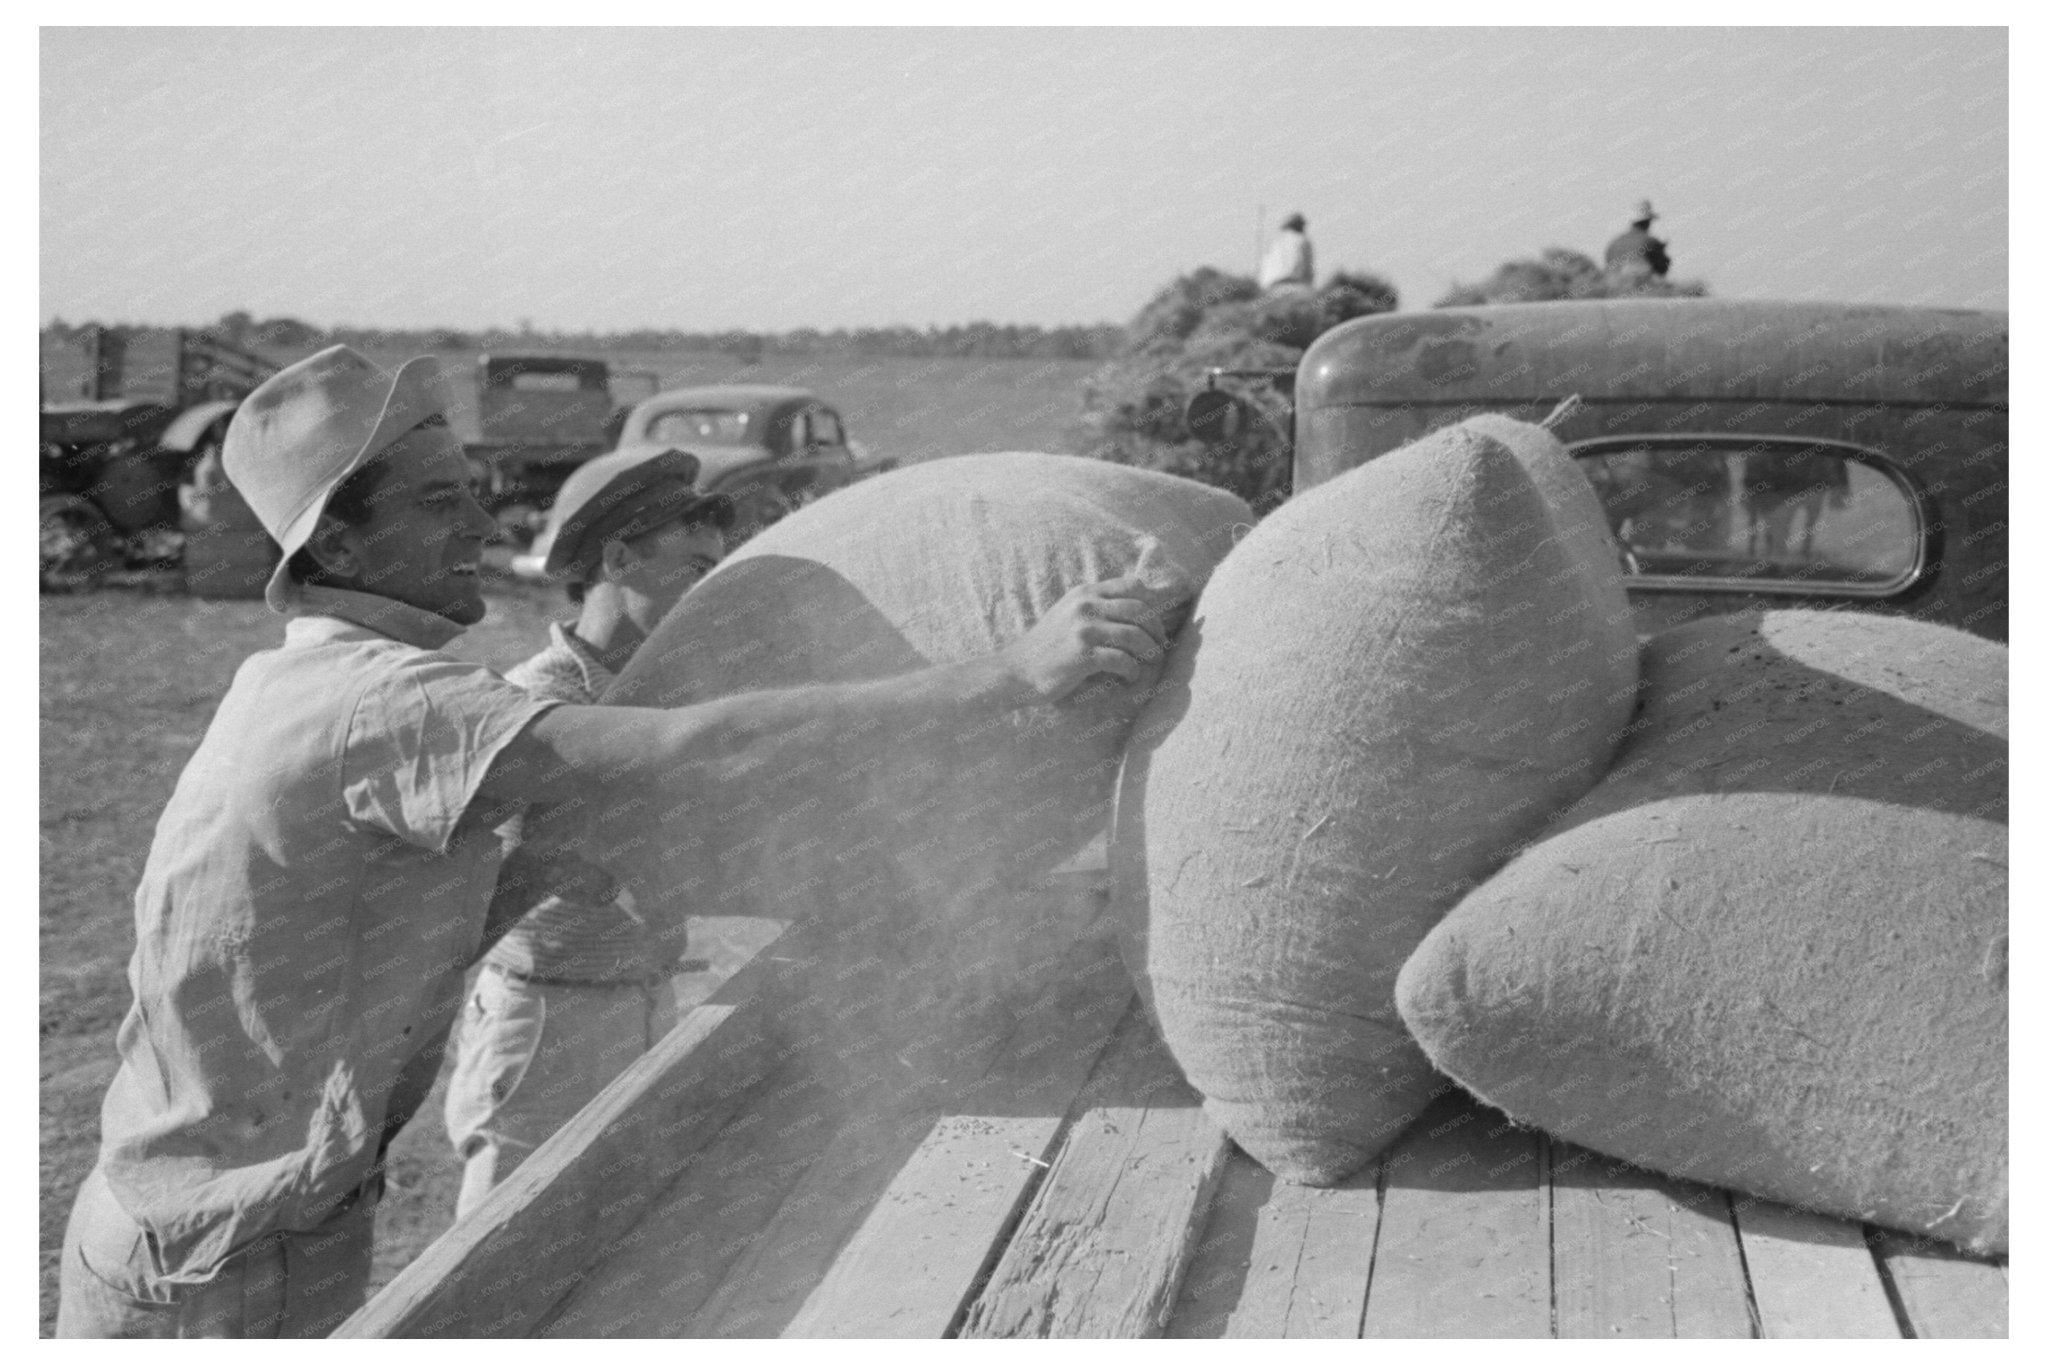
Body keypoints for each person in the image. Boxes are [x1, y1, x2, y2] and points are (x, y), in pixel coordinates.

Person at [56, 345, 1186, 1338]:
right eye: (445, 502)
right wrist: (1009, 676)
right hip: (218, 1259)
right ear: (339, 538)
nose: (487, 528)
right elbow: (699, 748)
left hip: (230, 1229)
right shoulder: (379, 704)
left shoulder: (311, 687)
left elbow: (530, 864)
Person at [442, 448, 734, 1216]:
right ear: (617, 555)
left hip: (646, 999)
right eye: (696, 569)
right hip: (549, 1017)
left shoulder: (675, 695)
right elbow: (471, 877)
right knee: (497, 1261)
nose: (711, 596)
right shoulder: (539, 697)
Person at [1603, 200, 1672, 281]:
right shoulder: (1651, 242)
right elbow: (1662, 269)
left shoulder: (1613, 243)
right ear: (1648, 222)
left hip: (1613, 288)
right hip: (1641, 287)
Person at [1257, 212, 1315, 292]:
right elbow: (1308, 269)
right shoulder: (1303, 240)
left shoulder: (1275, 241)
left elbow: (1264, 268)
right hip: (1295, 286)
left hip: (1270, 287)